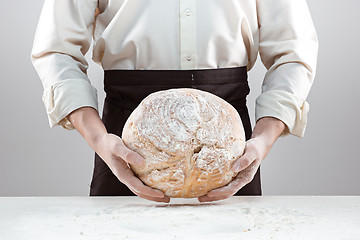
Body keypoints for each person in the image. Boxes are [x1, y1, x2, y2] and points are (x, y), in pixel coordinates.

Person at [30, 0, 318, 203]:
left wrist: (263, 140)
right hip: (126, 138)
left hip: (224, 141)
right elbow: (57, 51)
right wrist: (99, 138)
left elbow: (293, 52)